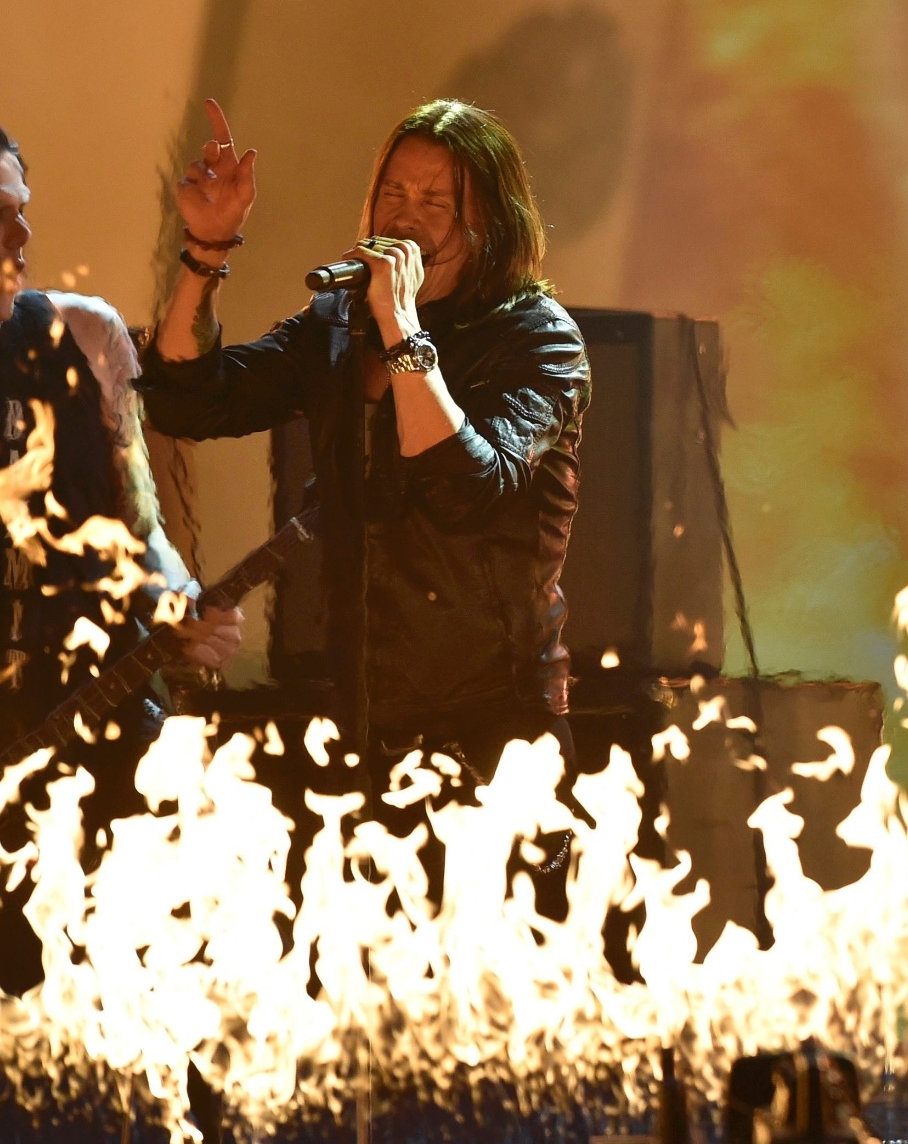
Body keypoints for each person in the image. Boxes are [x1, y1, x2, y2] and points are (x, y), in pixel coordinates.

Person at [137, 99, 590, 781]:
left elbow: (470, 489)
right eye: (393, 193)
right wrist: (206, 251)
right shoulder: (342, 324)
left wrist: (404, 331)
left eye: (436, 201)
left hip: (500, 732)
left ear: (492, 222)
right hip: (364, 720)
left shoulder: (536, 337)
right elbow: (189, 401)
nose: (405, 218)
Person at [0, 121, 243, 997]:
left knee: (139, 999)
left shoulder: (81, 334)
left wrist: (184, 603)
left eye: (22, 211)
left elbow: (137, 523)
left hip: (101, 719)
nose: (21, 235)